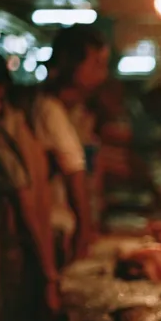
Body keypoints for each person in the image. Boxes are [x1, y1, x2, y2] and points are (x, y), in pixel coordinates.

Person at [0, 46, 61, 321]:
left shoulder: (7, 129)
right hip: (6, 269)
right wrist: (50, 277)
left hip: (18, 265)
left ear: (1, 86)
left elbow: (28, 206)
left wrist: (49, 276)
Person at [30, 26, 104, 263]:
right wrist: (84, 232)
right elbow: (74, 171)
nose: (102, 73)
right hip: (56, 236)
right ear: (72, 63)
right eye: (95, 64)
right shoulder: (49, 109)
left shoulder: (74, 111)